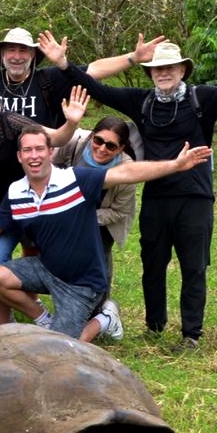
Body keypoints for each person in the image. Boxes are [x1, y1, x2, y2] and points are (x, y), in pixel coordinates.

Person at [47, 33, 217, 350]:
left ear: (182, 70)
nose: (163, 73)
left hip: (195, 197)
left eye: (170, 68)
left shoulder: (202, 99)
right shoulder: (142, 102)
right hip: (157, 195)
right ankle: (154, 327)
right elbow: (97, 88)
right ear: (151, 73)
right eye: (156, 68)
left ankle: (191, 334)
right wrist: (63, 64)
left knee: (194, 266)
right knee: (152, 264)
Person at [0, 124, 213, 341]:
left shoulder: (74, 179)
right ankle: (44, 319)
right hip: (46, 268)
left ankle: (105, 319)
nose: (34, 156)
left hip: (81, 283)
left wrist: (175, 165)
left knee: (65, 346)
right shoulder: (15, 192)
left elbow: (125, 172)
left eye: (40, 149)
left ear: (50, 152)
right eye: (27, 150)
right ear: (19, 157)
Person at [0, 75, 88, 328]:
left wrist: (71, 122)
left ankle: (3, 326)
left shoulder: (10, 123)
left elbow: (55, 139)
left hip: (11, 208)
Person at [52, 116, 137, 342]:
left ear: (121, 148)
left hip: (101, 220)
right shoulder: (75, 145)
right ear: (91, 136)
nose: (101, 148)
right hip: (65, 214)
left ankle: (102, 313)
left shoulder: (127, 170)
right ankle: (68, 309)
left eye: (111, 146)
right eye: (98, 140)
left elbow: (119, 211)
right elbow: (50, 164)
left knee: (97, 264)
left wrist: (84, 217)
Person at [0, 28, 165, 127]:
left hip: (39, 161)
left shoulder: (48, 78)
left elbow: (94, 68)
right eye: (11, 50)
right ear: (2, 55)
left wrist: (134, 57)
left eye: (23, 50)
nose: (17, 56)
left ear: (32, 55)